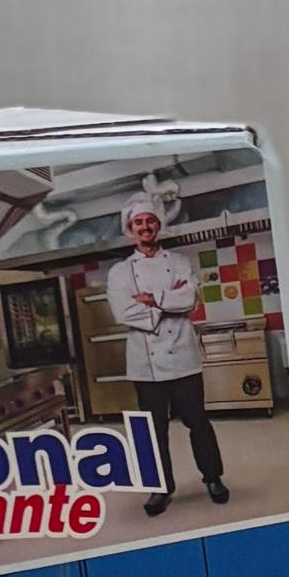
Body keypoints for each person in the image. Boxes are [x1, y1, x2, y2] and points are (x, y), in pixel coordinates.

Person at [103, 195, 225, 517]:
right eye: (138, 222)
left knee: (198, 422)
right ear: (130, 229)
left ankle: (213, 478)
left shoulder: (181, 262)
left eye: (150, 221)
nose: (145, 227)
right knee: (153, 431)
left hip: (184, 357)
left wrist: (152, 298)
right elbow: (123, 312)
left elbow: (190, 299)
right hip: (146, 366)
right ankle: (159, 489)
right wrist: (168, 302)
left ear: (158, 225)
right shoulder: (119, 272)